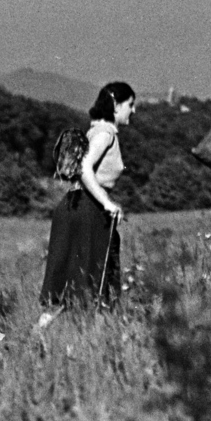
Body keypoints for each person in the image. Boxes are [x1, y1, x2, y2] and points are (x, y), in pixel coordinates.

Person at [36, 81, 136, 331]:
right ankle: (93, 338)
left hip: (80, 208)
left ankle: (41, 333)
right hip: (88, 210)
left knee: (79, 281)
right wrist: (107, 202)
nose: (132, 111)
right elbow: (83, 168)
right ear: (115, 106)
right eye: (130, 105)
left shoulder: (97, 131)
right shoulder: (105, 134)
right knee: (92, 281)